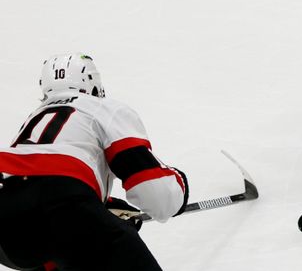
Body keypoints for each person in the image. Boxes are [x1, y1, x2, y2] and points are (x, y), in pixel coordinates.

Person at [0, 53, 188, 271]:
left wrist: (100, 211)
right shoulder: (103, 109)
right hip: (65, 209)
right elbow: (158, 196)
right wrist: (178, 188)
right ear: (94, 86)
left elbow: (34, 186)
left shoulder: (34, 118)